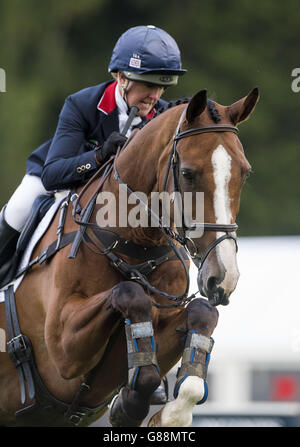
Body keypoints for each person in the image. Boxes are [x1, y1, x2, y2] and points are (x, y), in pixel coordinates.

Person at [0, 25, 186, 283]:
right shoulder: (82, 104)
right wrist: (99, 156)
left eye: (162, 87)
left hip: (114, 197)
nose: (154, 96)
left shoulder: (162, 115)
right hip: (59, 179)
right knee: (19, 207)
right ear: (121, 77)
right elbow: (53, 175)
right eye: (148, 84)